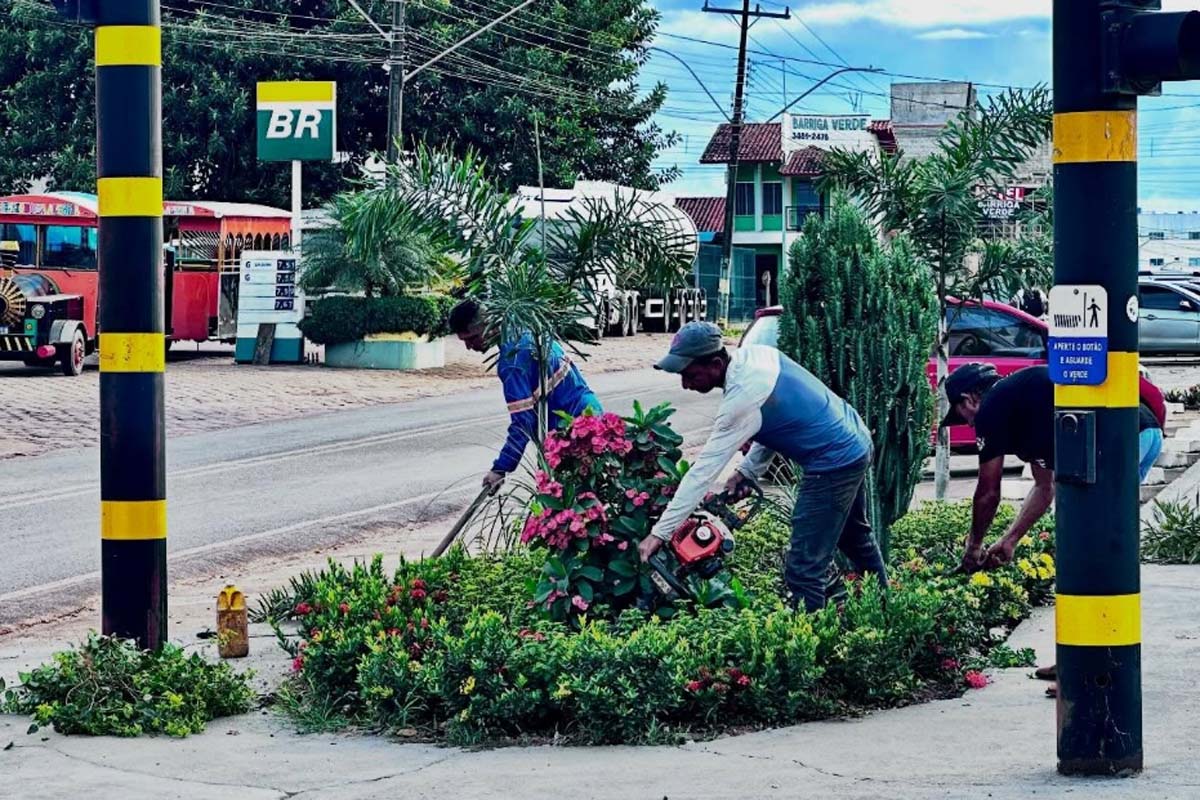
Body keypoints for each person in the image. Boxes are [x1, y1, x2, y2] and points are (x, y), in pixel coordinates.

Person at [636, 321, 886, 612]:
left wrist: (660, 533)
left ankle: (814, 636)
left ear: (716, 364)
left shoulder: (741, 399)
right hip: (855, 439)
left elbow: (702, 474)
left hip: (834, 461)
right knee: (855, 539)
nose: (685, 384)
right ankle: (885, 609)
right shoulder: (757, 356)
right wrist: (747, 471)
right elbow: (777, 422)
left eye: (690, 374)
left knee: (803, 567)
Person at [449, 299, 601, 493]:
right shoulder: (528, 327)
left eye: (471, 338)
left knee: (564, 503)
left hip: (571, 435)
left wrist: (501, 468)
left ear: (487, 326)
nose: (469, 347)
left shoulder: (512, 363)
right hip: (592, 415)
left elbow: (523, 422)